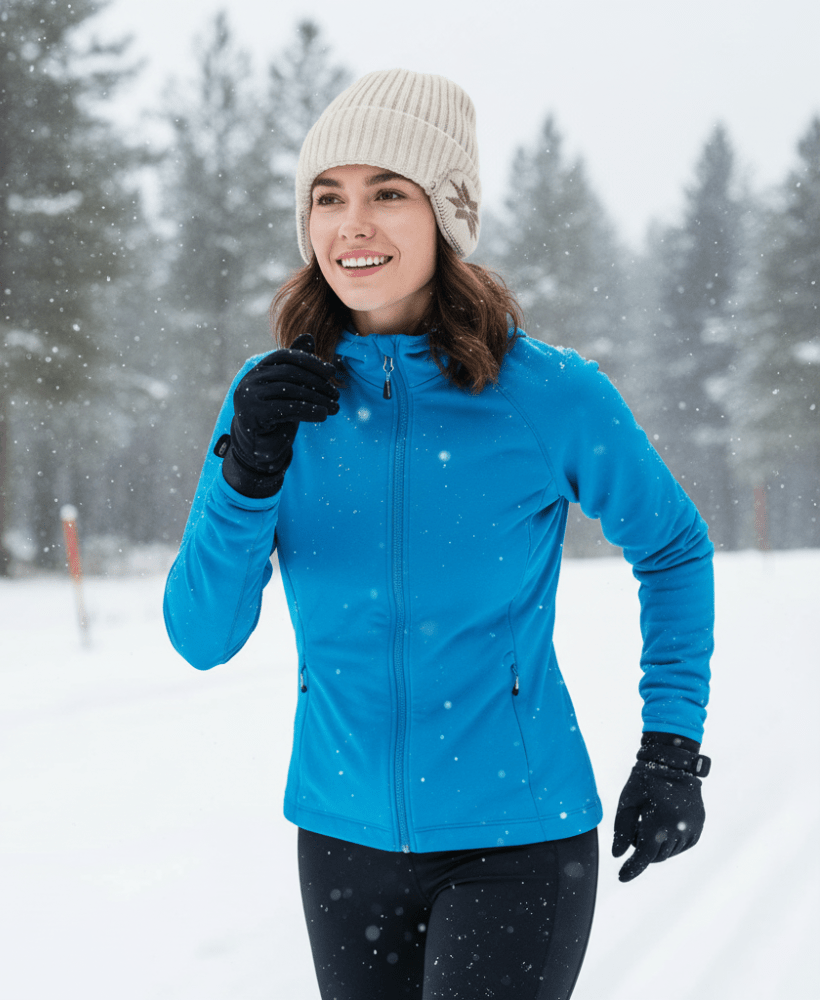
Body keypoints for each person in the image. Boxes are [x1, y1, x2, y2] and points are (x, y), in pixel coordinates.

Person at [163, 69, 713, 1000]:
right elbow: (202, 637)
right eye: (328, 197)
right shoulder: (274, 398)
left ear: (446, 218)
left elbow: (674, 547)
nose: (353, 225)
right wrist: (244, 473)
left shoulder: (546, 393)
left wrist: (670, 746)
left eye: (389, 194)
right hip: (340, 842)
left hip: (518, 838)